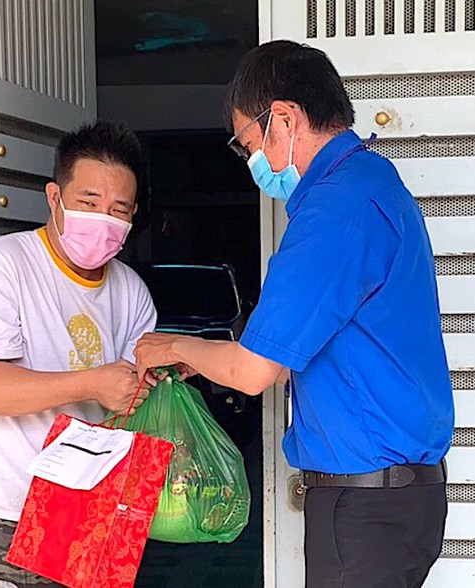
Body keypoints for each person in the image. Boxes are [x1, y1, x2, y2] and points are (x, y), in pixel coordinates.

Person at [134, 40, 454, 588]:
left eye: (248, 144)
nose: (252, 162)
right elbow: (281, 361)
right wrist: (203, 360)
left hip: (364, 509)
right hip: (401, 499)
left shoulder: (334, 210)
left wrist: (171, 346)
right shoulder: (376, 184)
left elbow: (253, 373)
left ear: (283, 118)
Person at [0, 121, 157, 587]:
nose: (104, 219)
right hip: (9, 514)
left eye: (118, 209)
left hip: (95, 509)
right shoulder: (1, 267)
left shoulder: (131, 291)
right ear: (54, 197)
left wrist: (148, 383)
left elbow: (126, 402)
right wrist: (93, 382)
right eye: (88, 203)